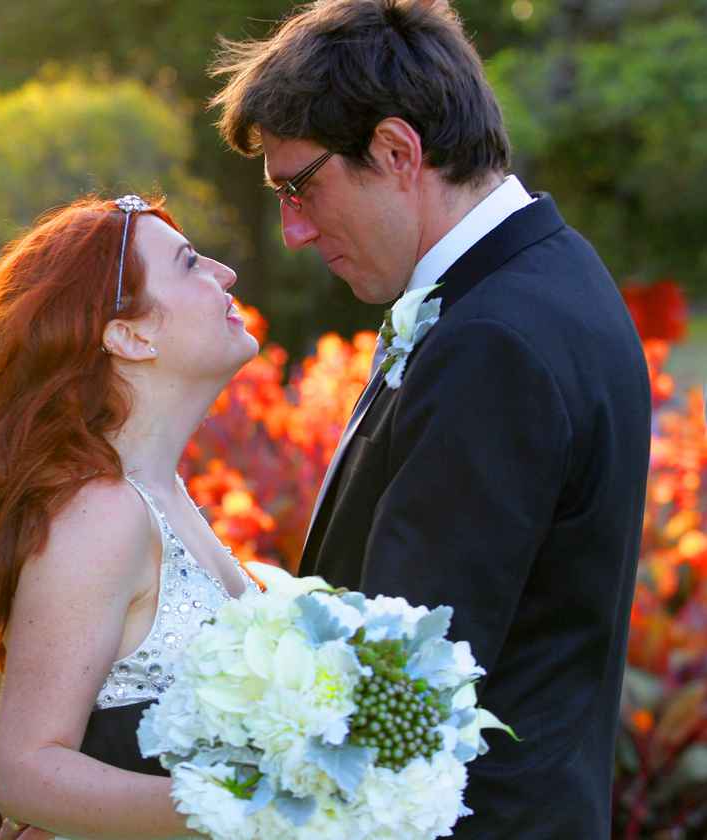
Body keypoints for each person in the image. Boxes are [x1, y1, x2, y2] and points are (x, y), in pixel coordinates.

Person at [208, 1, 651, 837]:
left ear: (398, 150)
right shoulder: (545, 275)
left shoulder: (493, 341)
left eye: (300, 186)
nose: (292, 231)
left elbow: (395, 678)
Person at [0, 195, 259, 839]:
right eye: (188, 264)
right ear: (128, 334)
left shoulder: (157, 492)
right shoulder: (100, 511)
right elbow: (28, 770)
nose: (224, 273)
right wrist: (264, 813)